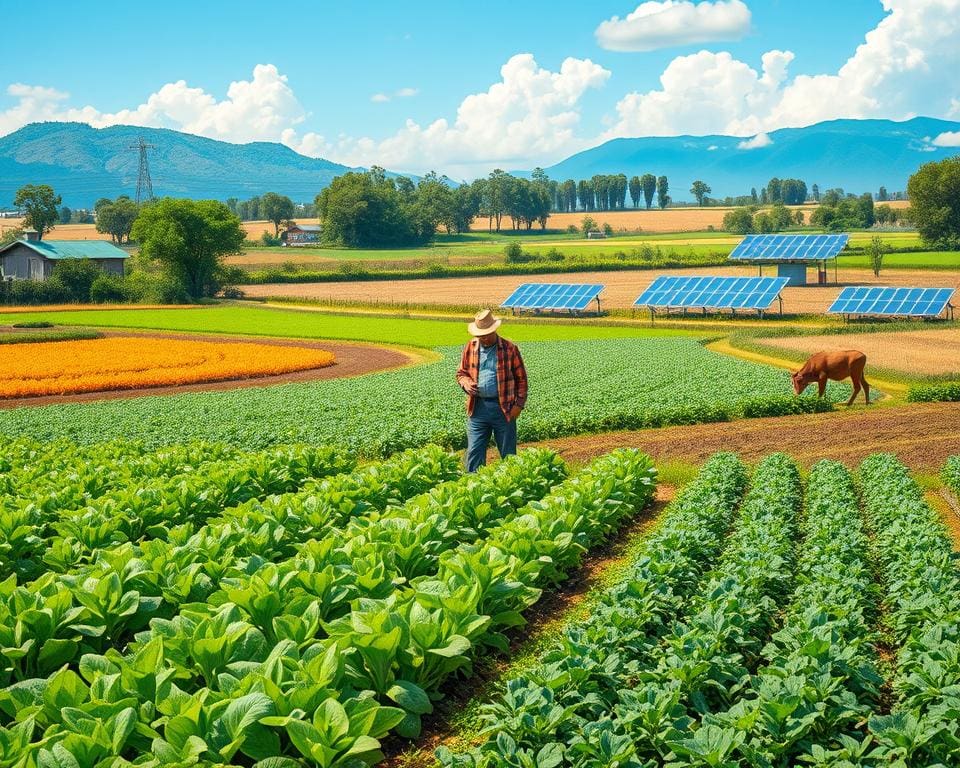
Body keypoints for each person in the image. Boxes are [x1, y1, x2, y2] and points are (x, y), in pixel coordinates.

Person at [456, 308, 528, 472]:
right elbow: (461, 373)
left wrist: (518, 406)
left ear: (494, 330)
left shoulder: (509, 349)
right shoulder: (471, 347)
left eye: (487, 334)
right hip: (478, 408)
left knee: (508, 454)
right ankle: (474, 487)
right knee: (474, 451)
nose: (484, 338)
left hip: (504, 408)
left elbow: (521, 379)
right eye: (481, 335)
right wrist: (466, 383)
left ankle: (511, 485)